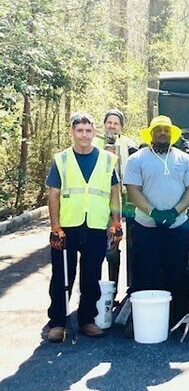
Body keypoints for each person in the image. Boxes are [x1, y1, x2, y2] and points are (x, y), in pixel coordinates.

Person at [45, 113, 121, 342]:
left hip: (96, 226)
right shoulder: (62, 160)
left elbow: (115, 193)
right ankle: (57, 322)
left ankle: (87, 320)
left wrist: (116, 222)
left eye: (88, 131)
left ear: (94, 133)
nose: (84, 135)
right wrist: (55, 227)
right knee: (61, 277)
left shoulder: (108, 160)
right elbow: (54, 195)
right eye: (80, 130)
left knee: (91, 276)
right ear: (72, 132)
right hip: (67, 227)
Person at [122, 115, 189, 333]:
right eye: (159, 130)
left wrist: (175, 211)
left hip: (177, 226)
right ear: (151, 134)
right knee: (145, 272)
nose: (163, 133)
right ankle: (140, 322)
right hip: (147, 226)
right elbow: (133, 190)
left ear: (172, 134)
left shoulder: (185, 159)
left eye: (167, 130)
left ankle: (177, 319)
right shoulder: (137, 159)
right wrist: (153, 211)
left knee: (176, 272)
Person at [92, 108, 137, 289]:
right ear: (104, 124)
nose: (112, 126)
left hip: (123, 199)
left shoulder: (128, 143)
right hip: (99, 201)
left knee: (120, 246)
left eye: (116, 123)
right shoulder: (92, 141)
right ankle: (95, 290)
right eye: (109, 122)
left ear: (121, 127)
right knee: (101, 248)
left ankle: (115, 288)